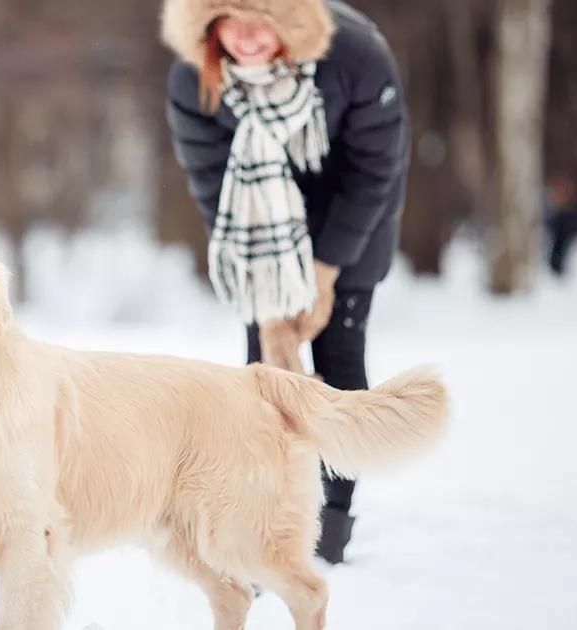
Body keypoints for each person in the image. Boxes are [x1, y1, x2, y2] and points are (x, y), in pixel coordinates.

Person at [161, 0, 409, 563]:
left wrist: (324, 276)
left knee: (338, 356)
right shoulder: (192, 77)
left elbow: (373, 171)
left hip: (353, 216)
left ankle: (332, 526)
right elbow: (212, 182)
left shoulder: (354, 56)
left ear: (290, 21)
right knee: (264, 376)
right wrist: (271, 305)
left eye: (262, 21)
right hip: (262, 228)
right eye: (231, 21)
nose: (246, 38)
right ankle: (266, 526)